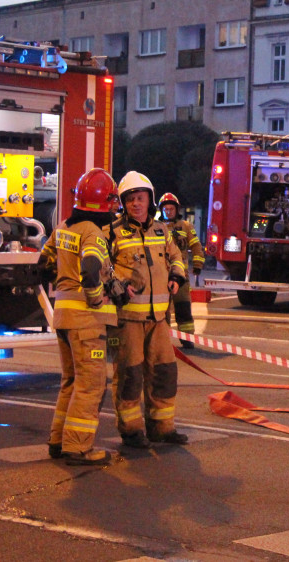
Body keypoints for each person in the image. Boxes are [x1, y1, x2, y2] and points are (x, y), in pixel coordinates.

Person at [39, 168, 119, 466]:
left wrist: (63, 280)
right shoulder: (92, 232)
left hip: (62, 318)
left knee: (71, 381)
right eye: (111, 199)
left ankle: (58, 441)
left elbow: (43, 263)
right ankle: (78, 447)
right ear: (102, 202)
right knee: (91, 385)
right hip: (86, 322)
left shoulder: (63, 227)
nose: (115, 205)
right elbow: (89, 269)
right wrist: (97, 296)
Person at [105, 172, 189, 448]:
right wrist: (115, 285)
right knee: (130, 375)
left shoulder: (161, 231)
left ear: (150, 200)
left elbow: (176, 257)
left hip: (159, 318)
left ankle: (162, 428)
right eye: (130, 200)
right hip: (128, 319)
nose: (136, 204)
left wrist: (176, 277)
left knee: (164, 373)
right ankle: (131, 431)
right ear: (123, 203)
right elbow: (102, 267)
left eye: (140, 199)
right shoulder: (112, 233)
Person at [157, 192, 205, 349]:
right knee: (161, 310)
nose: (168, 212)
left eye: (171, 209)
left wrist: (197, 265)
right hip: (161, 276)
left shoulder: (185, 226)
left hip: (181, 276)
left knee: (183, 308)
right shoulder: (155, 227)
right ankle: (161, 339)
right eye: (166, 209)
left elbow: (196, 246)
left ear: (176, 210)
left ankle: (187, 339)